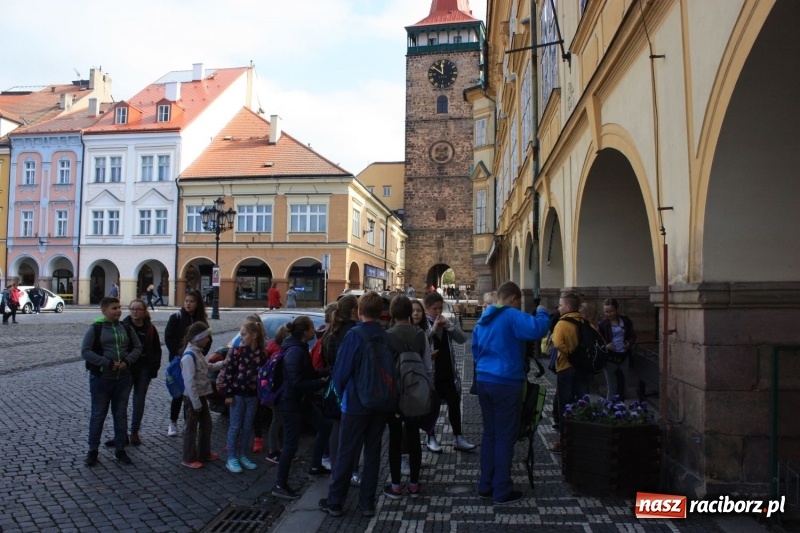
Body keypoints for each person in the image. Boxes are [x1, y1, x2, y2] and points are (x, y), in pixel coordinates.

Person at [471, 281, 550, 505]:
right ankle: (502, 490)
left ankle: (485, 485)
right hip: (506, 382)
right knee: (505, 436)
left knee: (490, 434)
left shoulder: (483, 320)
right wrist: (543, 311)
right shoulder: (511, 316)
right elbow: (537, 329)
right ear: (514, 298)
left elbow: (475, 350)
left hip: (484, 380)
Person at [319, 291, 393, 518]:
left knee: (346, 453)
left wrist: (338, 396)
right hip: (380, 403)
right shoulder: (386, 335)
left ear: (359, 311)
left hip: (356, 403)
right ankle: (367, 503)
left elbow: (341, 372)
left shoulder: (354, 335)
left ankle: (335, 502)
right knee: (372, 454)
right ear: (380, 312)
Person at [271, 316, 332, 500]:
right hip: (291, 403)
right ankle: (280, 484)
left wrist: (328, 371)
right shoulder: (295, 351)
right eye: (312, 327)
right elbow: (297, 381)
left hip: (300, 401)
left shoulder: (301, 347)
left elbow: (310, 372)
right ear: (305, 331)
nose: (315, 330)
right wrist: (319, 383)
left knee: (324, 426)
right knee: (290, 444)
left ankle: (315, 466)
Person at [80, 297, 142, 466]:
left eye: (119, 307)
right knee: (98, 415)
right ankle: (93, 451)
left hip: (123, 379)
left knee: (120, 415)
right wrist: (105, 363)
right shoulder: (96, 329)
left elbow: (137, 348)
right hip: (101, 380)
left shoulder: (126, 328)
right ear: (104, 311)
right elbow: (85, 351)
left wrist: (128, 361)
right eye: (114, 308)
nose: (118, 311)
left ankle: (120, 449)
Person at [384, 294, 433, 500]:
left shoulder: (387, 336)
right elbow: (428, 366)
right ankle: (413, 484)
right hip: (415, 393)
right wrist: (427, 390)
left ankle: (395, 485)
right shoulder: (420, 334)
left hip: (395, 395)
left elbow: (385, 370)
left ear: (393, 313)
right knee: (414, 438)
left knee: (394, 440)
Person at [423, 291, 475, 452]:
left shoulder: (446, 323)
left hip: (448, 371)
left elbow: (462, 339)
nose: (438, 312)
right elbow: (421, 342)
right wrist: (433, 329)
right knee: (433, 408)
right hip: (432, 374)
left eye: (440, 308)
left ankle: (458, 437)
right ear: (426, 309)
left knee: (454, 404)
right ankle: (430, 437)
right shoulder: (422, 324)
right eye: (434, 309)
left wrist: (449, 326)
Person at [323, 295, 363, 486]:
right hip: (352, 387)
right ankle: (353, 471)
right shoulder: (356, 331)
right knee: (355, 432)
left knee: (337, 429)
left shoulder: (333, 332)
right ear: (355, 310)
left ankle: (335, 469)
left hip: (335, 386)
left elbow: (330, 360)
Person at [110, 299, 162, 447]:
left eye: (138, 309)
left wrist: (154, 368)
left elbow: (157, 350)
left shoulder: (150, 328)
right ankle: (120, 434)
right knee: (122, 402)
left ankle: (134, 432)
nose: (135, 312)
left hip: (144, 369)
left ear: (144, 311)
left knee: (139, 401)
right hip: (127, 368)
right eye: (132, 309)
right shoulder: (123, 326)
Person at [551, 291, 595, 452]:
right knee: (583, 401)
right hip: (583, 369)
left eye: (561, 304)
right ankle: (584, 437)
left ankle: (565, 440)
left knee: (565, 404)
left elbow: (556, 343)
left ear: (568, 306)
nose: (559, 307)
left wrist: (570, 353)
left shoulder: (562, 324)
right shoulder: (585, 322)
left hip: (565, 368)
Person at [223, 319, 267, 473]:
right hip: (237, 395)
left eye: (243, 334)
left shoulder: (261, 354)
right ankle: (231, 457)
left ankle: (242, 454)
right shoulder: (237, 351)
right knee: (235, 425)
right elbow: (229, 373)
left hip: (252, 396)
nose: (241, 337)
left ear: (253, 335)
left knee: (247, 426)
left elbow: (263, 376)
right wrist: (228, 394)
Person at [164, 290, 210, 437]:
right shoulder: (176, 317)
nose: (188, 304)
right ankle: (173, 422)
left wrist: (201, 352)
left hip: (195, 359)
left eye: (191, 301)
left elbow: (208, 338)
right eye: (186, 301)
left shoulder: (201, 320)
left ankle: (187, 423)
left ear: (197, 304)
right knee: (179, 392)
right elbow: (168, 338)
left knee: (191, 392)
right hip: (178, 360)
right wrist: (180, 353)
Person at [180, 322, 223, 468]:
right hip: (193, 398)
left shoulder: (198, 352)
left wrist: (223, 364)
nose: (209, 339)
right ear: (199, 338)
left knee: (206, 424)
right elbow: (189, 382)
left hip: (201, 395)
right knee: (191, 428)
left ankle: (204, 453)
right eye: (206, 337)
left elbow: (207, 368)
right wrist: (196, 402)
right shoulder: (189, 356)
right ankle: (188, 457)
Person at [597, 298, 637, 401]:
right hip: (610, 357)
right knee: (611, 385)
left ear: (617, 310)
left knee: (624, 384)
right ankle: (609, 408)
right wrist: (606, 346)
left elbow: (632, 335)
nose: (609, 314)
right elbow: (598, 341)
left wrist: (629, 343)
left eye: (611, 311)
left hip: (624, 355)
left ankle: (621, 407)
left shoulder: (626, 321)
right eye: (606, 311)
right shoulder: (602, 324)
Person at [264, 326, 289, 464]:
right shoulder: (278, 354)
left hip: (276, 393)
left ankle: (281, 448)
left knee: (280, 421)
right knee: (277, 421)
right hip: (277, 393)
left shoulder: (275, 350)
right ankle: (273, 450)